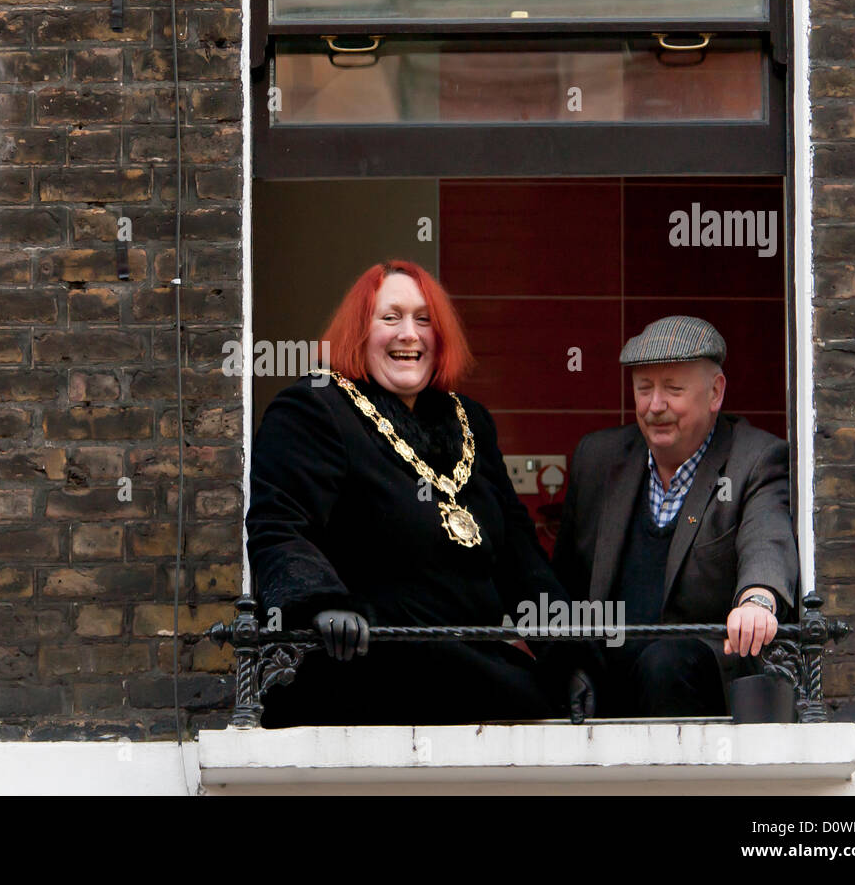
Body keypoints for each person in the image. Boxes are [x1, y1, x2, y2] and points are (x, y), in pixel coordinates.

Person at [246, 260, 596, 727]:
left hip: (474, 661)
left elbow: (518, 555)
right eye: (390, 318)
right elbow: (280, 525)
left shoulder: (471, 420)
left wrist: (567, 657)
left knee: (542, 702)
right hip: (370, 660)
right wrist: (320, 605)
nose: (409, 334)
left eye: (424, 319)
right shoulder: (314, 407)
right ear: (359, 330)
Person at [551, 315, 800, 717]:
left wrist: (758, 600)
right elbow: (563, 580)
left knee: (663, 662)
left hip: (696, 685)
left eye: (673, 389)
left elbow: (767, 538)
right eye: (644, 388)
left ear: (715, 392)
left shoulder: (755, 459)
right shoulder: (598, 458)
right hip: (607, 681)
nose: (655, 406)